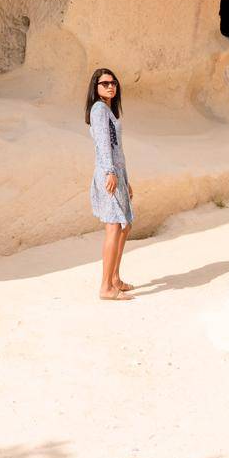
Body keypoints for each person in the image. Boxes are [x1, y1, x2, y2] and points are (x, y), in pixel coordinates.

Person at [85, 66, 135, 299]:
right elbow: (104, 145)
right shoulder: (98, 110)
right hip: (108, 173)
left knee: (125, 225)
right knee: (114, 226)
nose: (110, 86)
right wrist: (109, 173)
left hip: (117, 173)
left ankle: (114, 278)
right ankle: (106, 287)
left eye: (113, 82)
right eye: (105, 83)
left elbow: (118, 149)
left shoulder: (108, 110)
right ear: (95, 88)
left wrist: (125, 179)